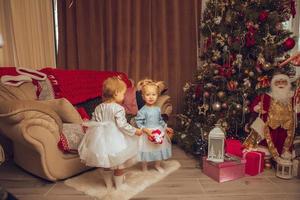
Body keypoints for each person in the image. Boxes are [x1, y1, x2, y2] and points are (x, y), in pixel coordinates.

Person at [78, 77, 143, 190]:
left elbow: (95, 122)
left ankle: (108, 185)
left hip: (100, 138)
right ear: (116, 93)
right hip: (115, 138)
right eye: (123, 94)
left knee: (106, 163)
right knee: (119, 164)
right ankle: (119, 186)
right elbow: (122, 125)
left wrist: (88, 128)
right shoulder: (118, 108)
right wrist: (135, 131)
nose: (124, 97)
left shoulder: (98, 107)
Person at [244, 71, 299, 164]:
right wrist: (257, 107)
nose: (281, 84)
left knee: (284, 140)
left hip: (287, 125)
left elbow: (296, 110)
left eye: (283, 82)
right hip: (271, 125)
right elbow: (255, 104)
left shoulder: (292, 97)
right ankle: (269, 157)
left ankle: (283, 156)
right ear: (273, 84)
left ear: (288, 83)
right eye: (278, 82)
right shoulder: (267, 96)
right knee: (270, 140)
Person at [135, 81, 173, 173]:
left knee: (159, 149)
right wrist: (145, 129)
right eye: (148, 95)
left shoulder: (157, 109)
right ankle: (144, 166)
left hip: (158, 131)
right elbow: (139, 122)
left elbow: (160, 120)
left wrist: (166, 127)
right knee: (145, 150)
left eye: (153, 94)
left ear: (157, 96)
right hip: (147, 132)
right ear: (143, 97)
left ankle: (157, 165)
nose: (151, 97)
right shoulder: (143, 110)